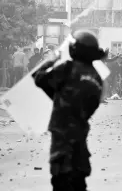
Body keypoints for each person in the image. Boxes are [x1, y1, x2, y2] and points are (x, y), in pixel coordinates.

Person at [32, 29, 106, 191]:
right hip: (80, 137)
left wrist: (51, 60)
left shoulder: (67, 68)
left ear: (74, 49)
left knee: (61, 182)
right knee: (79, 183)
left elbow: (38, 78)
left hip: (62, 139)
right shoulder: (97, 78)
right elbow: (89, 106)